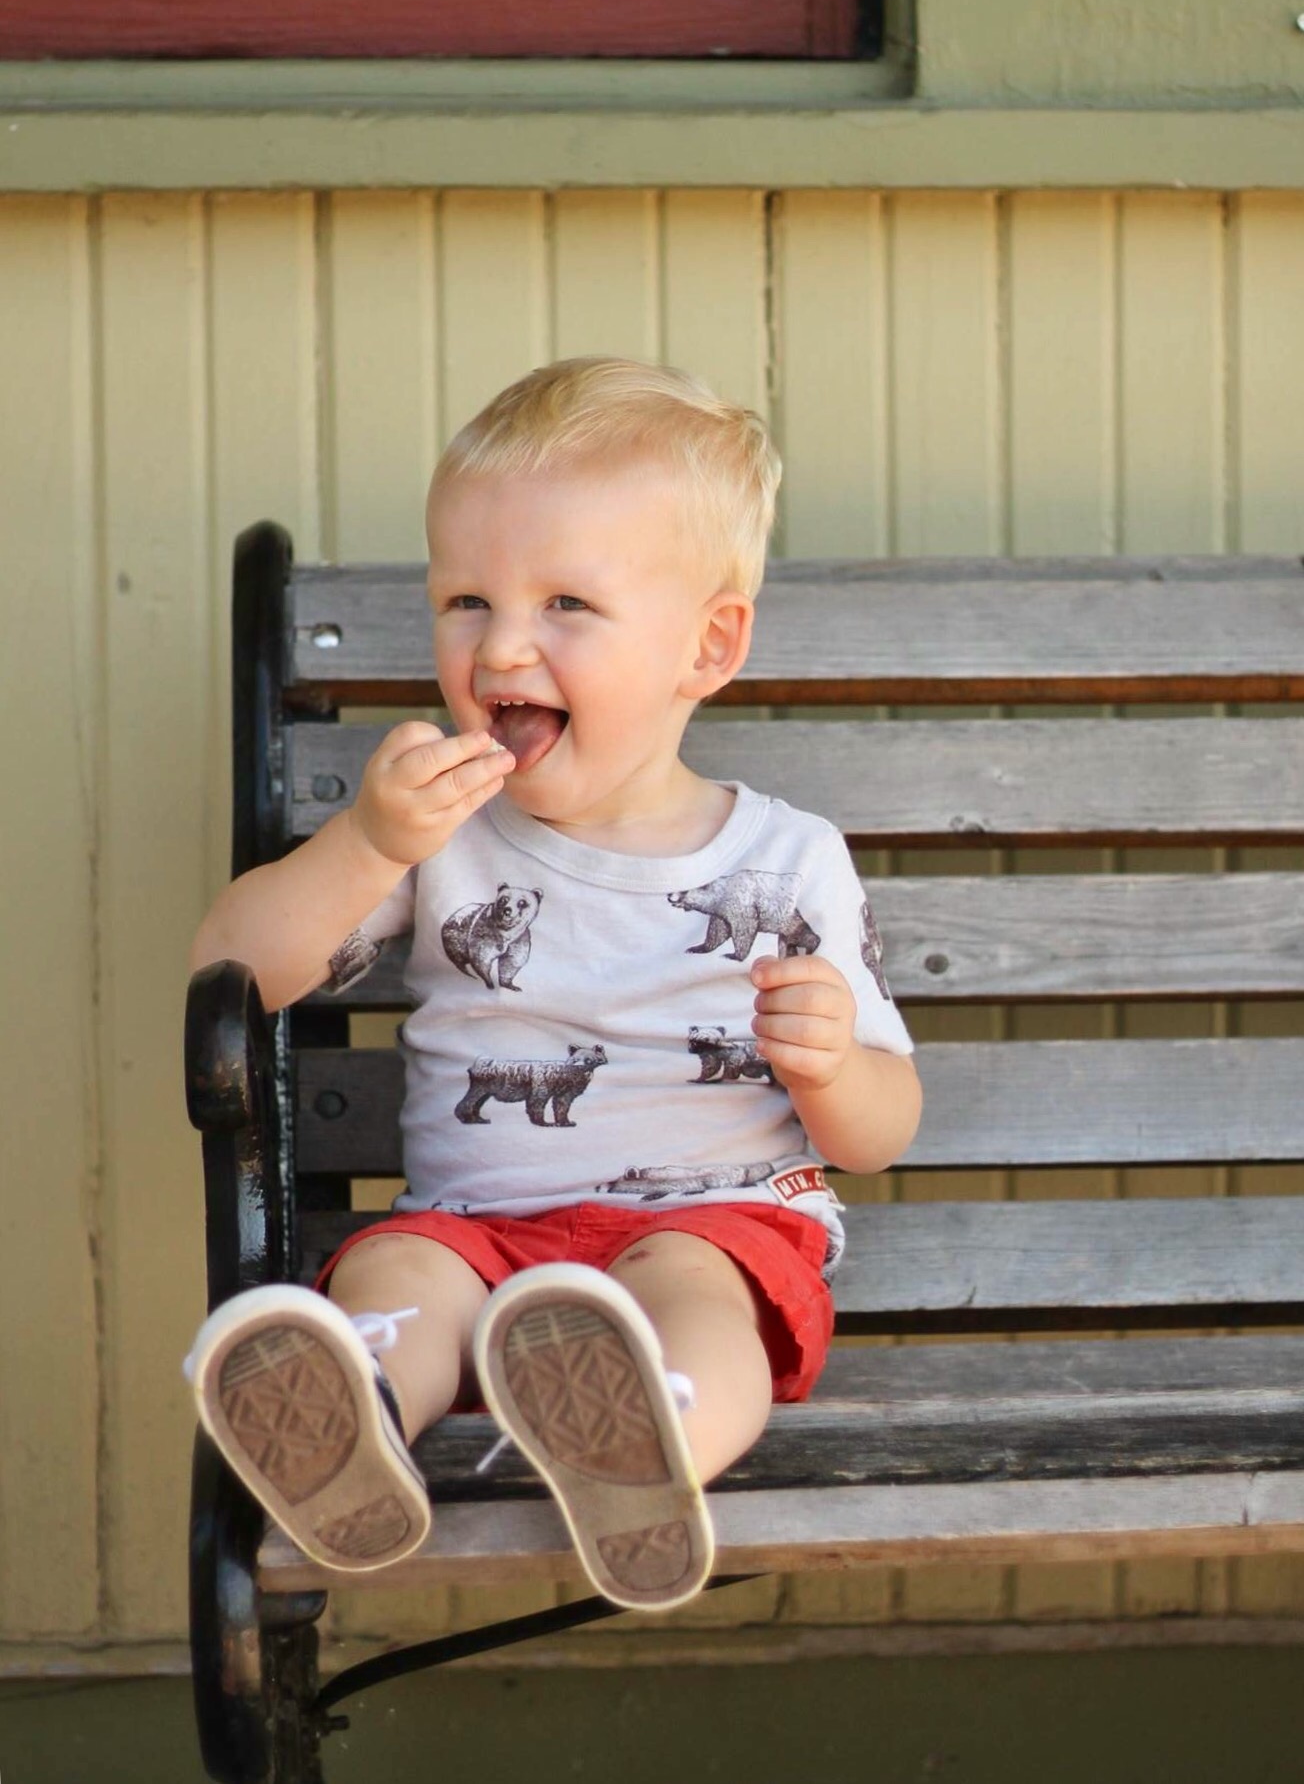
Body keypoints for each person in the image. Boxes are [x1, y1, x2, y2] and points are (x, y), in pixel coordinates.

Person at [185, 357, 922, 1611]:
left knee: (697, 1299)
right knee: (393, 1277)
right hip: (473, 1232)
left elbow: (877, 1130)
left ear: (706, 643)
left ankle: (651, 1441)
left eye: (565, 602)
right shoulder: (435, 835)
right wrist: (366, 843)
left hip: (711, 1217)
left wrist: (830, 1064)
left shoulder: (787, 858)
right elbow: (233, 971)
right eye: (465, 600)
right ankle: (350, 1419)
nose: (501, 644)